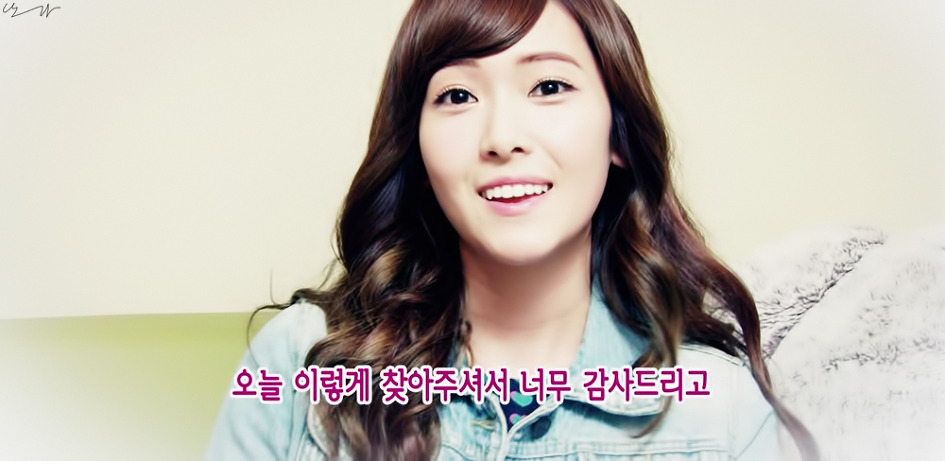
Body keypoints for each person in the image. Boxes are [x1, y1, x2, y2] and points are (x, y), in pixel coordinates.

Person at [208, 0, 819, 459]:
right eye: (457, 96)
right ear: (417, 146)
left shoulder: (719, 410)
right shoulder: (298, 362)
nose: (502, 138)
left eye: (549, 86)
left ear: (619, 134)